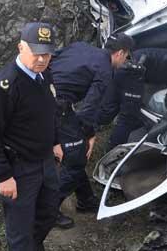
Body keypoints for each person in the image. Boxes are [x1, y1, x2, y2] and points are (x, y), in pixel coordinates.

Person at [0, 22, 63, 251]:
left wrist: (55, 141)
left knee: (48, 213)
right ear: (20, 48)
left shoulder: (45, 76)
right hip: (20, 168)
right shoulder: (3, 87)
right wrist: (3, 176)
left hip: (45, 161)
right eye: (36, 53)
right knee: (20, 229)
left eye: (46, 54)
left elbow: (49, 111)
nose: (42, 60)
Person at [49, 33, 134, 228]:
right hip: (54, 106)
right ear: (120, 53)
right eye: (127, 56)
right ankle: (47, 210)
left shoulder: (79, 45)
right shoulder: (105, 70)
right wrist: (89, 135)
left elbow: (52, 59)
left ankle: (86, 199)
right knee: (77, 159)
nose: (125, 61)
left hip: (41, 94)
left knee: (74, 155)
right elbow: (88, 109)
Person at [99, 47, 167, 150]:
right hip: (135, 71)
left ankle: (100, 123)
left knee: (116, 102)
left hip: (131, 69)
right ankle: (112, 147)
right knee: (128, 117)